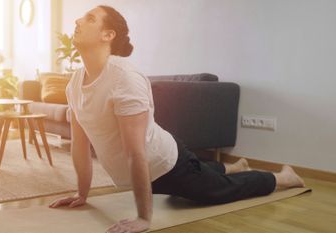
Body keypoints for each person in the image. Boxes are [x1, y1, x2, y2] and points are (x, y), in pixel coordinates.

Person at [49, 5, 305, 233]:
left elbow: (135, 153)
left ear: (108, 35)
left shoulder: (124, 79)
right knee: (194, 181)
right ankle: (234, 166)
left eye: (90, 18)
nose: (78, 21)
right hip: (148, 170)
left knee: (220, 190)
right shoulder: (74, 83)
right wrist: (81, 194)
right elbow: (80, 144)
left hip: (165, 164)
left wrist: (143, 218)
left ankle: (284, 177)